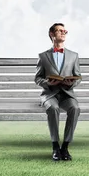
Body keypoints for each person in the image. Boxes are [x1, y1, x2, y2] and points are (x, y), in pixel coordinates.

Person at [34, 22, 82, 161]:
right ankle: (55, 146)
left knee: (75, 108)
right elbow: (37, 78)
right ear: (52, 34)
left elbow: (78, 77)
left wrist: (72, 83)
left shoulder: (74, 56)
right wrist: (48, 83)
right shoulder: (43, 56)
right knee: (53, 108)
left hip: (67, 93)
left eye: (65, 31)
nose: (63, 33)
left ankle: (65, 147)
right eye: (60, 30)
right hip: (50, 94)